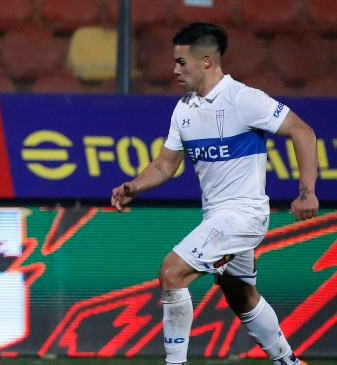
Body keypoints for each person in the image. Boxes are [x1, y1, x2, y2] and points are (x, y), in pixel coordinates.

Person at [111, 23, 318, 365]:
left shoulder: (244, 99)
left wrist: (307, 191)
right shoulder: (184, 109)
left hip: (244, 216)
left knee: (172, 272)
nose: (175, 70)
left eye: (181, 62)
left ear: (206, 61)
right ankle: (289, 362)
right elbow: (165, 164)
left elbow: (303, 131)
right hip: (218, 217)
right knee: (241, 295)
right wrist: (135, 185)